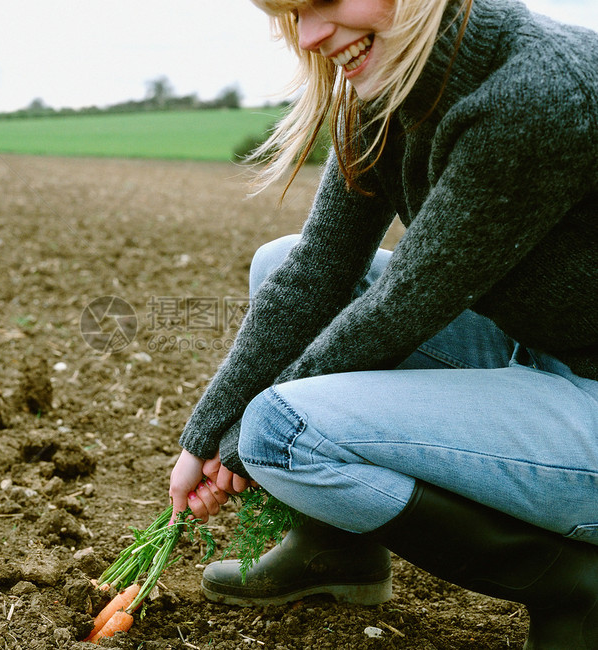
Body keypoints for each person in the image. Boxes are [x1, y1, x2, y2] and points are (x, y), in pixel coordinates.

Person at [167, 0, 598, 647]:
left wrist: (241, 440)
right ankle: (335, 549)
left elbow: (403, 307)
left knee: (280, 431)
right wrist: (203, 436)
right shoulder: (393, 80)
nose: (309, 35)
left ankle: (574, 586)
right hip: (543, 351)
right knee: (279, 263)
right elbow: (319, 270)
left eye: (328, 0)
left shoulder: (532, 94)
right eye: (294, 12)